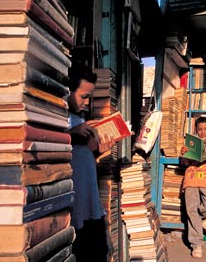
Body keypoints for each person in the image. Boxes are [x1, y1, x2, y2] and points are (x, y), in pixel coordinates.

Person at [67, 64, 115, 262]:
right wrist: (69, 135)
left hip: (91, 205)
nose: (86, 103)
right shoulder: (57, 118)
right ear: (67, 91)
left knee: (99, 253)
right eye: (83, 96)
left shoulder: (79, 119)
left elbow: (82, 160)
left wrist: (98, 152)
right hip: (75, 208)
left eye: (89, 98)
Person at [179, 116, 206, 259]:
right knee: (191, 210)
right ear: (196, 130)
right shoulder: (192, 143)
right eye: (200, 129)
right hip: (191, 179)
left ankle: (202, 218)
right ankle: (196, 245)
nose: (203, 132)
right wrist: (184, 153)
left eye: (205, 129)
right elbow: (185, 163)